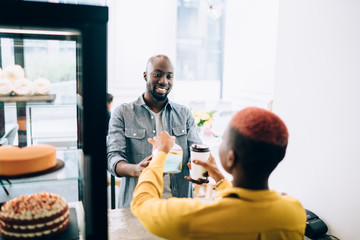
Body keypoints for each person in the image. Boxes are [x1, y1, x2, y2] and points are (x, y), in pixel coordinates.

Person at [131, 107, 307, 239]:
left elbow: (142, 203)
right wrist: (220, 179)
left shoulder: (196, 217)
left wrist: (160, 153)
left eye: (223, 140)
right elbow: (245, 205)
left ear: (230, 158)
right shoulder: (294, 212)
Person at [107, 54, 202, 208]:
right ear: (145, 75)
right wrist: (136, 169)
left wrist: (199, 168)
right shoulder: (123, 113)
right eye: (157, 74)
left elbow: (196, 150)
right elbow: (112, 158)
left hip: (179, 206)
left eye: (169, 76)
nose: (164, 81)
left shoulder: (184, 113)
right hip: (138, 207)